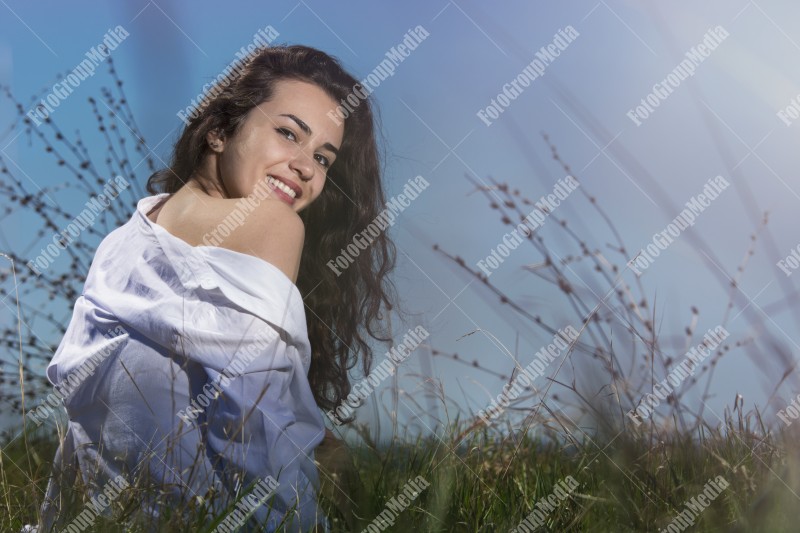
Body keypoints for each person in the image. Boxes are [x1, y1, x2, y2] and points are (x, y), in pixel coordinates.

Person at [35, 44, 398, 532]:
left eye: (324, 159)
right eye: (288, 133)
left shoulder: (122, 240)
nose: (307, 168)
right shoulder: (273, 224)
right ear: (219, 131)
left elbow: (83, 437)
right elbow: (256, 431)